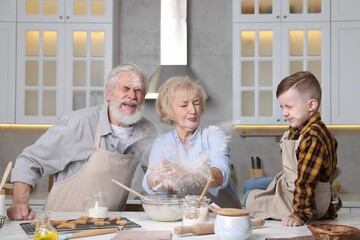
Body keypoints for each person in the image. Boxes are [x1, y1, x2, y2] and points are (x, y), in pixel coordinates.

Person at [7, 63, 157, 220]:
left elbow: (156, 175)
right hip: (58, 225)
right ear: (108, 92)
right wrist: (19, 203)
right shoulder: (78, 124)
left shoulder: (146, 131)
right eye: (125, 88)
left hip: (106, 228)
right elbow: (30, 160)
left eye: (138, 90)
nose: (132, 96)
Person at [244, 71, 342, 227]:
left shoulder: (313, 137)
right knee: (249, 185)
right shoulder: (302, 129)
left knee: (248, 196)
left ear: (311, 105)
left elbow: (306, 182)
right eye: (282, 106)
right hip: (291, 187)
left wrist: (300, 214)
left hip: (304, 201)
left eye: (289, 106)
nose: (284, 113)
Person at [142, 76, 241, 208]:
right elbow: (149, 180)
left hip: (223, 218)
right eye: (184, 105)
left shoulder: (213, 135)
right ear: (169, 111)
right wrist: (157, 179)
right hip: (182, 217)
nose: (193, 110)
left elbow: (221, 175)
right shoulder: (162, 143)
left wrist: (189, 171)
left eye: (196, 103)